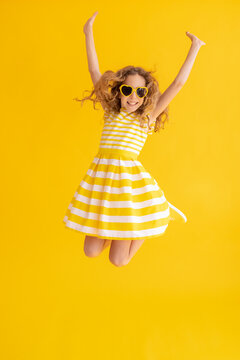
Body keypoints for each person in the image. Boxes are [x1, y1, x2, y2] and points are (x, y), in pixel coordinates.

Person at [63, 11, 206, 267]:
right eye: (127, 90)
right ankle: (126, 221)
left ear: (146, 95)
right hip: (103, 184)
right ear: (118, 91)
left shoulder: (147, 118)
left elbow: (179, 83)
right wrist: (88, 33)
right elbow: (94, 69)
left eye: (140, 92)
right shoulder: (111, 111)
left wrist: (195, 47)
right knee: (91, 251)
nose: (133, 97)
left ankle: (151, 214)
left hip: (128, 186)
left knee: (119, 261)